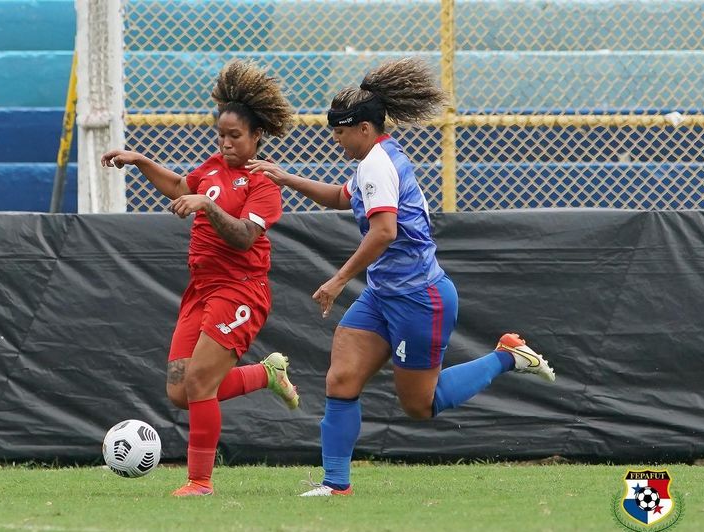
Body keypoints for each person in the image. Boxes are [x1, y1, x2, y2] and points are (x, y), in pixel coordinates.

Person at [248, 57, 555, 497]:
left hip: (418, 298)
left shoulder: (377, 163)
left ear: (365, 129)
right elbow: (340, 196)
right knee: (341, 379)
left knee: (419, 405)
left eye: (340, 131)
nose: (335, 139)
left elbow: (385, 231)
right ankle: (336, 485)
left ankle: (507, 356)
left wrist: (337, 281)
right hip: (383, 295)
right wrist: (284, 177)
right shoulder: (373, 160)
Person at [101, 60, 298, 497]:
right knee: (179, 390)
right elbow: (178, 186)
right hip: (201, 289)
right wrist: (140, 161)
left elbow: (246, 237)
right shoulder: (211, 168)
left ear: (257, 136)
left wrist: (208, 208)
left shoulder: (262, 182)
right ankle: (265, 375)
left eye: (236, 136)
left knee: (200, 384)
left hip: (241, 290)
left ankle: (199, 482)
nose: (226, 144)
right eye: (222, 135)